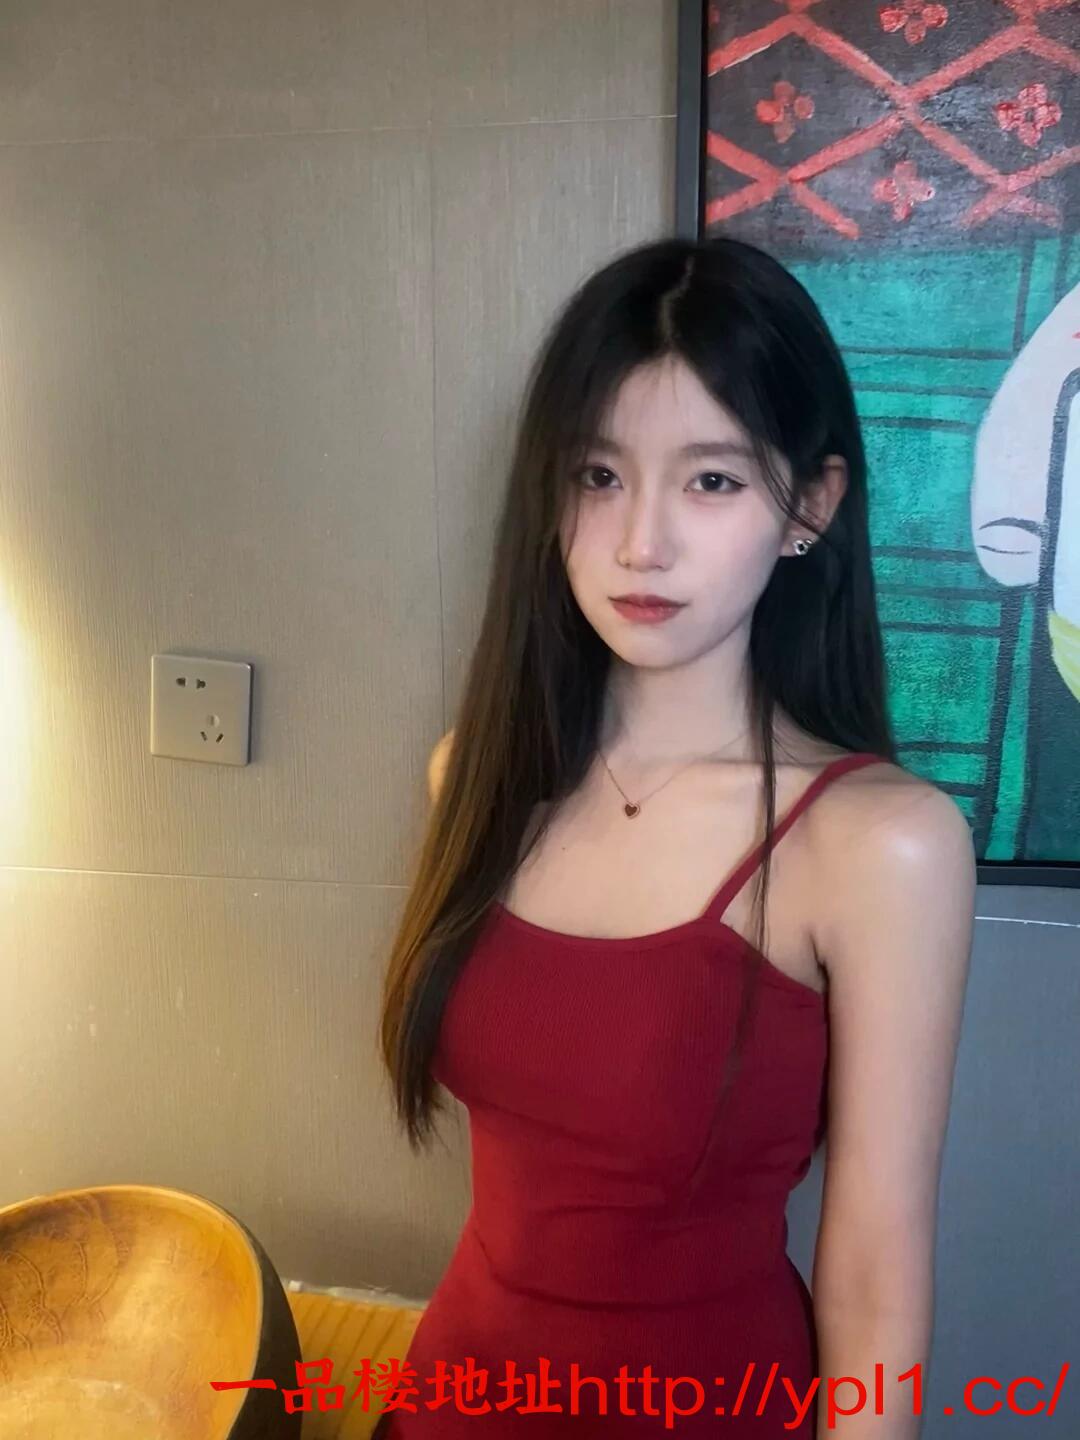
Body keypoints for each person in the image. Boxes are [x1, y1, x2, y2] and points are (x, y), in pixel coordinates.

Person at [375, 236, 976, 1436]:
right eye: (600, 475)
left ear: (810, 505)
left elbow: (873, 1277)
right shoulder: (477, 779)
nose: (641, 541)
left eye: (711, 480)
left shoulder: (880, 845)